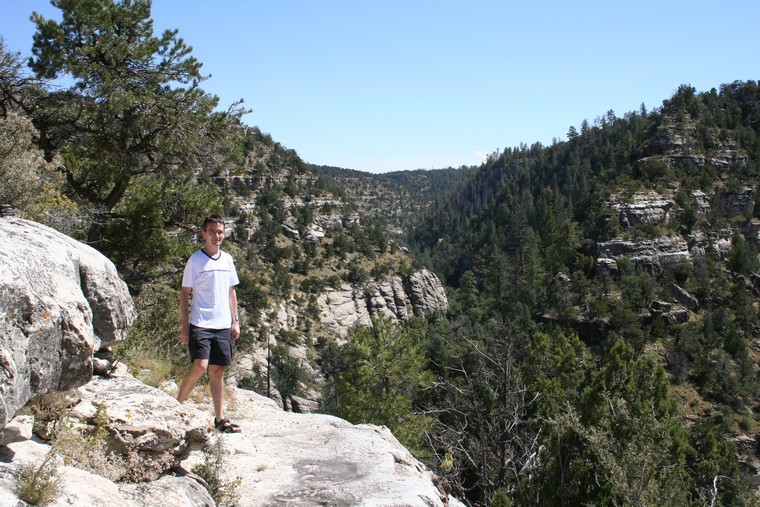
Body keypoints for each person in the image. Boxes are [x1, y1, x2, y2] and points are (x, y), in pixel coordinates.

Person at [177, 214, 242, 433]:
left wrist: (235, 321)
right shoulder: (195, 260)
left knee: (217, 371)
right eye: (212, 232)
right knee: (200, 366)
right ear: (203, 234)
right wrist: (184, 325)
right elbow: (185, 292)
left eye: (220, 232)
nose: (217, 236)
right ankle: (176, 407)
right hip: (201, 323)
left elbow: (231, 291)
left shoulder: (227, 259)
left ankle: (219, 418)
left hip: (223, 324)